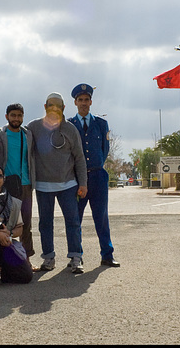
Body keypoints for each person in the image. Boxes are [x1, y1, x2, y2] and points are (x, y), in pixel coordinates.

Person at [26, 92, 88, 274]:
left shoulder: (70, 129)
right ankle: (48, 258)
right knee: (45, 223)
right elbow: (18, 140)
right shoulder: (33, 127)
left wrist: (82, 183)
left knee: (73, 222)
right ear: (45, 106)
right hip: (43, 186)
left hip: (68, 185)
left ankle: (76, 258)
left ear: (63, 108)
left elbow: (79, 158)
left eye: (58, 106)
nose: (54, 109)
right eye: (51, 105)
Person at [68, 83, 120, 268]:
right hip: (77, 179)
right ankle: (76, 256)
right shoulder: (69, 125)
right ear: (75, 102)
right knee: (76, 219)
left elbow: (104, 151)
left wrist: (94, 166)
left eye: (86, 99)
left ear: (91, 101)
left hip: (98, 176)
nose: (84, 103)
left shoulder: (101, 123)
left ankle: (107, 254)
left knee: (102, 218)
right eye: (80, 100)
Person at [0, 103, 39, 272]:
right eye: (13, 115)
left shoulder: (28, 135)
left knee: (25, 224)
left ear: (23, 117)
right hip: (6, 185)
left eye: (19, 115)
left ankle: (26, 259)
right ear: (7, 117)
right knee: (2, 223)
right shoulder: (0, 134)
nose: (16, 118)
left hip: (25, 185)